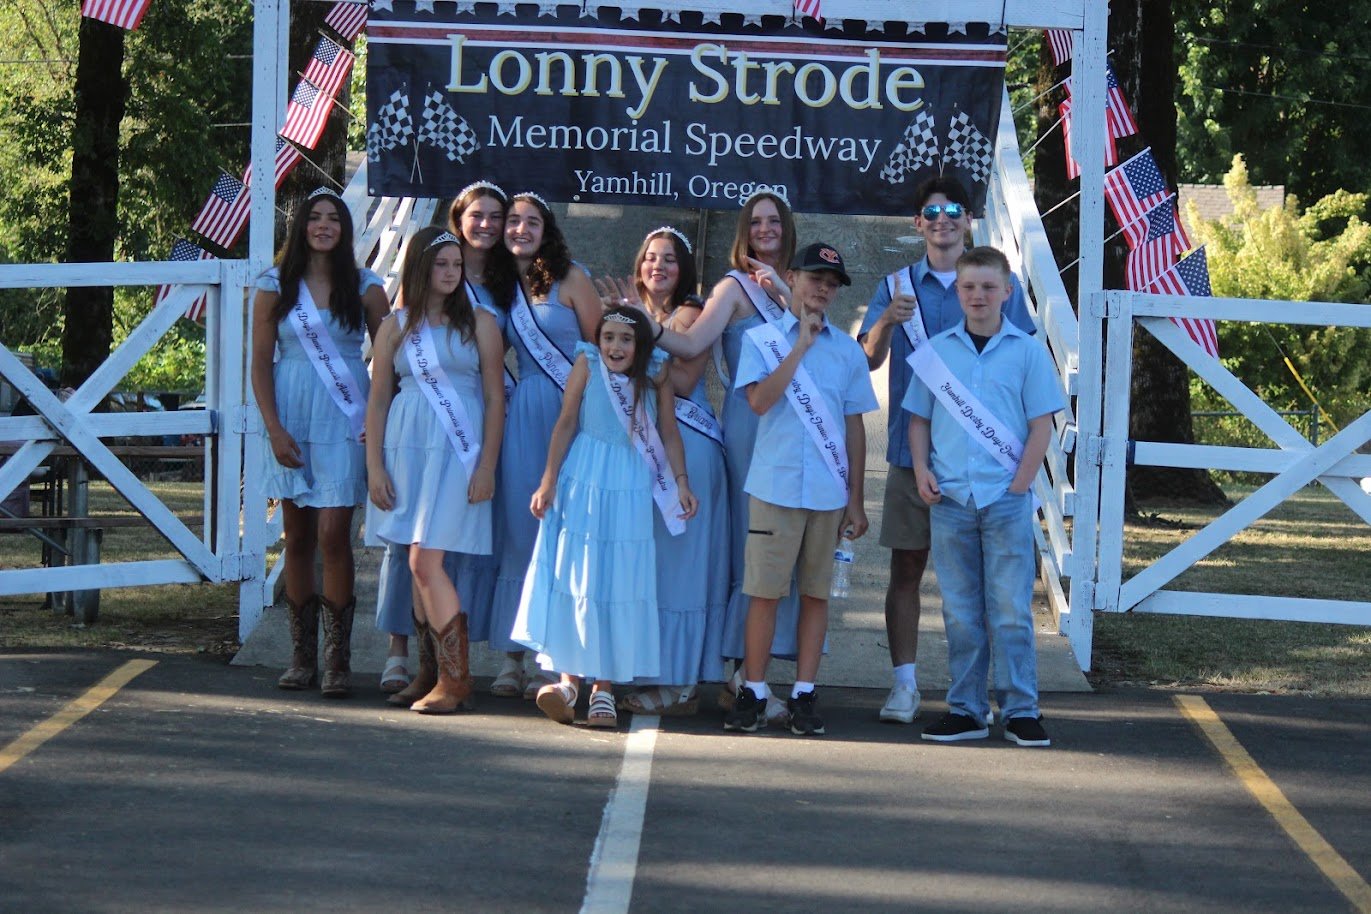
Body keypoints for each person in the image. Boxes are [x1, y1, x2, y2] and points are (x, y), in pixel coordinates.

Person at [858, 176, 1036, 724]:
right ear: (918, 223)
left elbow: (1023, 356)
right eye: (930, 212)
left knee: (987, 587)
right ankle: (906, 685)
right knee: (907, 570)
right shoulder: (895, 284)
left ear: (967, 219)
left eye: (952, 210)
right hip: (913, 456)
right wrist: (887, 320)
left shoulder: (996, 284)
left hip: (984, 459)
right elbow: (865, 359)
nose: (942, 219)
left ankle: (995, 700)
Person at [635, 192, 805, 725]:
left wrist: (785, 292)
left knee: (785, 556)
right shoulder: (731, 288)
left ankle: (752, 676)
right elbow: (691, 348)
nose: (764, 230)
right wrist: (641, 327)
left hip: (800, 429)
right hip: (751, 428)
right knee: (745, 549)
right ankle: (740, 678)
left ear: (788, 228)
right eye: (755, 222)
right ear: (742, 231)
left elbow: (825, 348)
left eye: (773, 221)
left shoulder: (801, 285)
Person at [905, 246, 1063, 747]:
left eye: (988, 287)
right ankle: (967, 709)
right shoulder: (937, 351)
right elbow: (919, 418)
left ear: (1007, 292)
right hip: (950, 498)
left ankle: (1020, 709)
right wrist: (922, 469)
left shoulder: (1027, 351)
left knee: (1012, 608)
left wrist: (1021, 483)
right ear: (957, 291)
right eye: (969, 287)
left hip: (1005, 498)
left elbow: (1042, 424)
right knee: (959, 609)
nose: (978, 296)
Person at [511, 307, 697, 728]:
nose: (615, 346)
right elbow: (565, 422)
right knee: (576, 573)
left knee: (616, 577)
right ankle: (567, 681)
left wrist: (681, 482)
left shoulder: (657, 371)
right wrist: (548, 479)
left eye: (626, 339)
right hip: (582, 475)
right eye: (608, 337)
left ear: (640, 344)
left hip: (630, 480)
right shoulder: (587, 362)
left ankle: (604, 689)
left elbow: (669, 431)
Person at [723, 243, 879, 737]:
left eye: (832, 284)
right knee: (764, 595)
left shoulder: (848, 350)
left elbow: (854, 427)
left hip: (829, 494)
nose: (823, 289)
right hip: (775, 486)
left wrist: (855, 497)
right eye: (815, 278)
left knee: (816, 596)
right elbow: (760, 402)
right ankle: (754, 689)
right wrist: (799, 348)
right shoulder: (761, 340)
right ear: (792, 277)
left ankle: (806, 691)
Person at [374, 181, 518, 704]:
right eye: (442, 264)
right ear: (420, 268)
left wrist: (487, 465)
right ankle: (429, 672)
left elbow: (496, 399)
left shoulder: (480, 323)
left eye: (457, 264)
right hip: (407, 449)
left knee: (424, 563)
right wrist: (374, 468)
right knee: (415, 562)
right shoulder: (395, 327)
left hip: (460, 453)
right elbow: (377, 402)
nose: (453, 271)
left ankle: (456, 679)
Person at [250, 187, 389, 697]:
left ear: (345, 229)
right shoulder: (273, 286)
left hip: (345, 419)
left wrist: (381, 416)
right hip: (292, 415)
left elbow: (390, 358)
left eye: (334, 218)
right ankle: (301, 655)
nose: (324, 226)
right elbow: (260, 363)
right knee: (298, 536)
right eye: (315, 217)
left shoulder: (368, 286)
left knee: (334, 535)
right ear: (301, 226)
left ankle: (337, 660)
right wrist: (273, 427)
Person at [602, 227, 730, 716]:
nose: (659, 266)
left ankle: (679, 682)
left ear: (685, 270)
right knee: (647, 567)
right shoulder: (631, 316)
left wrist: (636, 333)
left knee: (681, 567)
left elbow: (681, 380)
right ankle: (645, 670)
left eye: (671, 260)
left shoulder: (690, 315)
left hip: (687, 450)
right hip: (641, 449)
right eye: (652, 257)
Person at [488, 191, 602, 699]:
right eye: (512, 221)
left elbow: (603, 347)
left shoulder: (571, 277)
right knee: (520, 529)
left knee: (567, 532)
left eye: (531, 221)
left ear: (546, 229)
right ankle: (513, 656)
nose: (519, 229)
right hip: (526, 411)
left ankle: (557, 657)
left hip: (574, 413)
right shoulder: (498, 285)